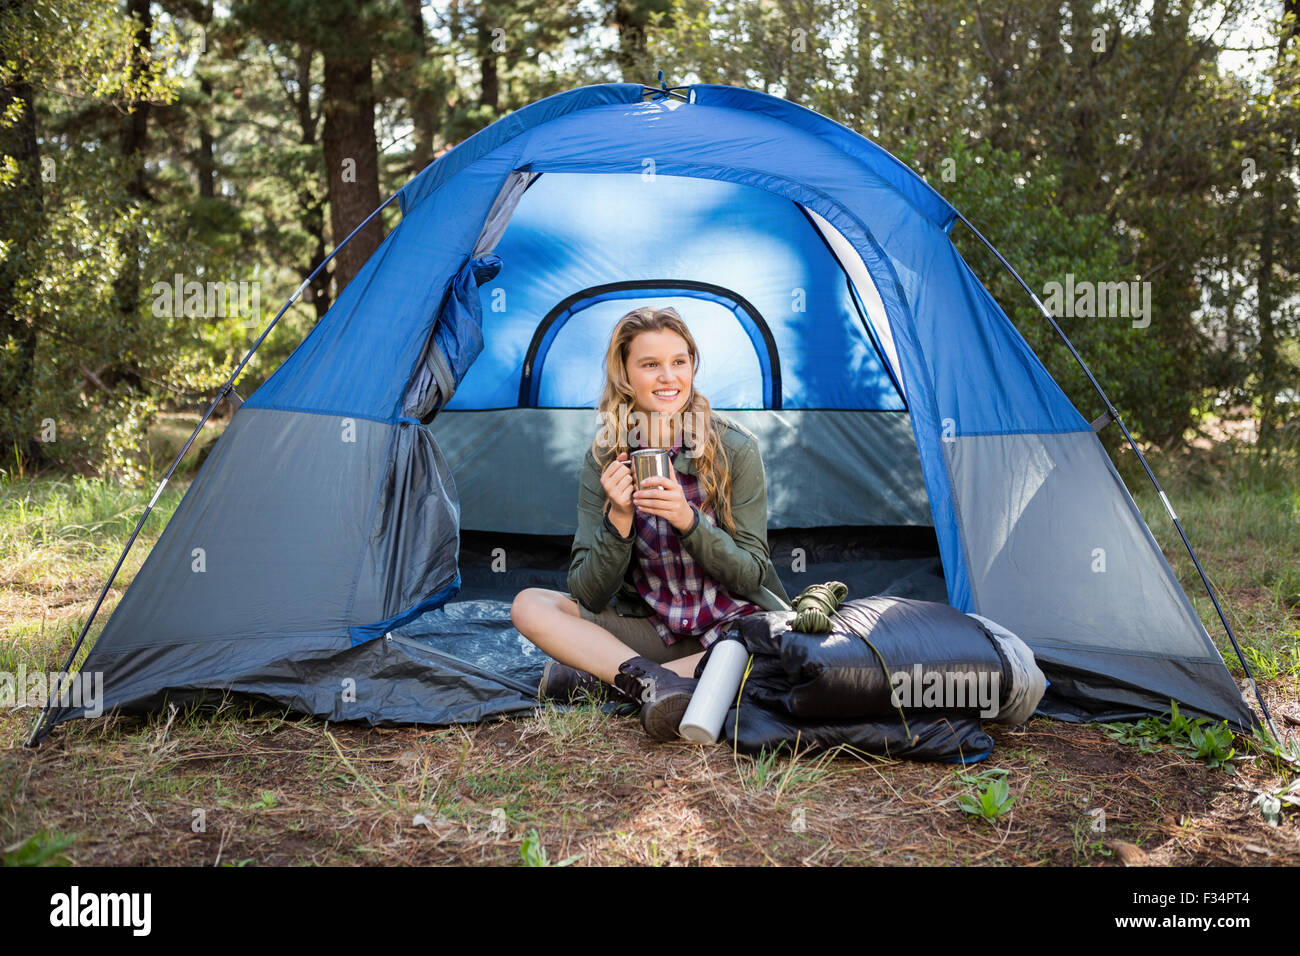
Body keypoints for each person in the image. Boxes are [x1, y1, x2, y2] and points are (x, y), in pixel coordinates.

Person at [510, 305, 791, 742]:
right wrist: (618, 522)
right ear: (625, 374)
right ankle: (654, 683)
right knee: (530, 604)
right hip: (657, 626)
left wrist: (688, 521)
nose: (668, 378)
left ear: (692, 367)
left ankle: (607, 679)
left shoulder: (735, 448)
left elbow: (752, 572)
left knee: (774, 656)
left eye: (679, 362)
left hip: (732, 627)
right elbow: (588, 592)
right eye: (650, 365)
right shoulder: (604, 457)